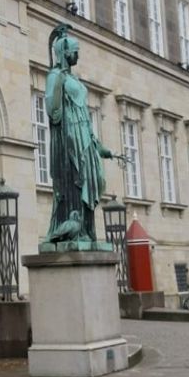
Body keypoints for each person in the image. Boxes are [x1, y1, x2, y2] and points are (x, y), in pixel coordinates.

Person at [42, 25, 114, 243]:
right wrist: (59, 84)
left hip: (84, 135)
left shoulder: (73, 79)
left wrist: (98, 145)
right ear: (64, 53)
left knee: (95, 179)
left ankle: (88, 230)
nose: (78, 55)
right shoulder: (56, 76)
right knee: (76, 181)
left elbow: (83, 112)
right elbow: (53, 111)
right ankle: (76, 229)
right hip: (70, 137)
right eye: (75, 51)